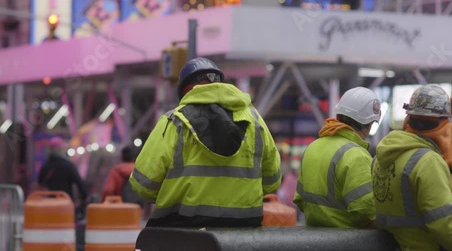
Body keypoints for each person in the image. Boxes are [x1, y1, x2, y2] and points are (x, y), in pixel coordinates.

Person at [129, 57, 282, 228]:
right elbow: (272, 180)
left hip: (181, 231)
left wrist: (173, 193)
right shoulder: (255, 120)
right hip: (243, 230)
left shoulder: (174, 121)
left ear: (185, 90)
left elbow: (143, 184)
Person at [371, 84, 452, 250]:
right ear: (443, 124)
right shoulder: (429, 162)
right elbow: (444, 224)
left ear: (408, 119)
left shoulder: (380, 157)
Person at [293, 87, 380, 228]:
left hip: (312, 239)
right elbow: (366, 212)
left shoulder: (313, 147)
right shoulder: (356, 155)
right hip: (347, 242)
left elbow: (300, 199)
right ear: (369, 124)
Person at [37, 137, 88, 206]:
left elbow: (40, 183)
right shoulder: (69, 166)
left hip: (48, 205)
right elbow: (80, 184)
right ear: (62, 149)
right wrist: (83, 199)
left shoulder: (45, 166)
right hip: (66, 205)